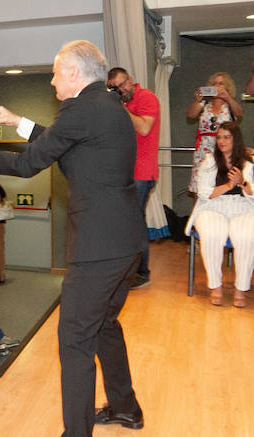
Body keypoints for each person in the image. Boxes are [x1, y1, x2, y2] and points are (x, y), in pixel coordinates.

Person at [0, 39, 145, 437]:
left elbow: (34, 163)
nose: (53, 80)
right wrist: (16, 120)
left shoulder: (84, 109)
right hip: (124, 240)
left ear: (75, 74)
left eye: (57, 73)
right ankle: (123, 405)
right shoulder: (105, 105)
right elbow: (63, 142)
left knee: (74, 341)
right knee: (104, 325)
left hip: (98, 245)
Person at [184, 122, 254, 307]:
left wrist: (243, 183)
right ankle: (216, 286)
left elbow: (252, 192)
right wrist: (230, 186)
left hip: (243, 207)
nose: (221, 141)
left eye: (226, 137)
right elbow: (203, 192)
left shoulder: (248, 163)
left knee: (247, 236)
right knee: (212, 234)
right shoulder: (209, 161)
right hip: (212, 206)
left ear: (235, 139)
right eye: (219, 137)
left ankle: (241, 288)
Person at [107, 67, 161, 289]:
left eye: (123, 85)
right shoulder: (121, 103)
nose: (121, 90)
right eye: (116, 88)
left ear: (130, 80)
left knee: (134, 223)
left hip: (142, 172)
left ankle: (141, 272)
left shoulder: (146, 97)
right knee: (126, 222)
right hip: (125, 171)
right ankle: (128, 270)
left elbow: (145, 128)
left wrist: (120, 108)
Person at [187, 72, 244, 196]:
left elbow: (239, 113)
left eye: (221, 83)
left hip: (223, 153)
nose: (217, 85)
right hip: (203, 151)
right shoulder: (204, 104)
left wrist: (227, 97)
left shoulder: (229, 106)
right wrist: (198, 100)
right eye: (214, 83)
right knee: (200, 187)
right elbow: (191, 115)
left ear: (227, 87)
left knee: (221, 184)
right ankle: (199, 214)